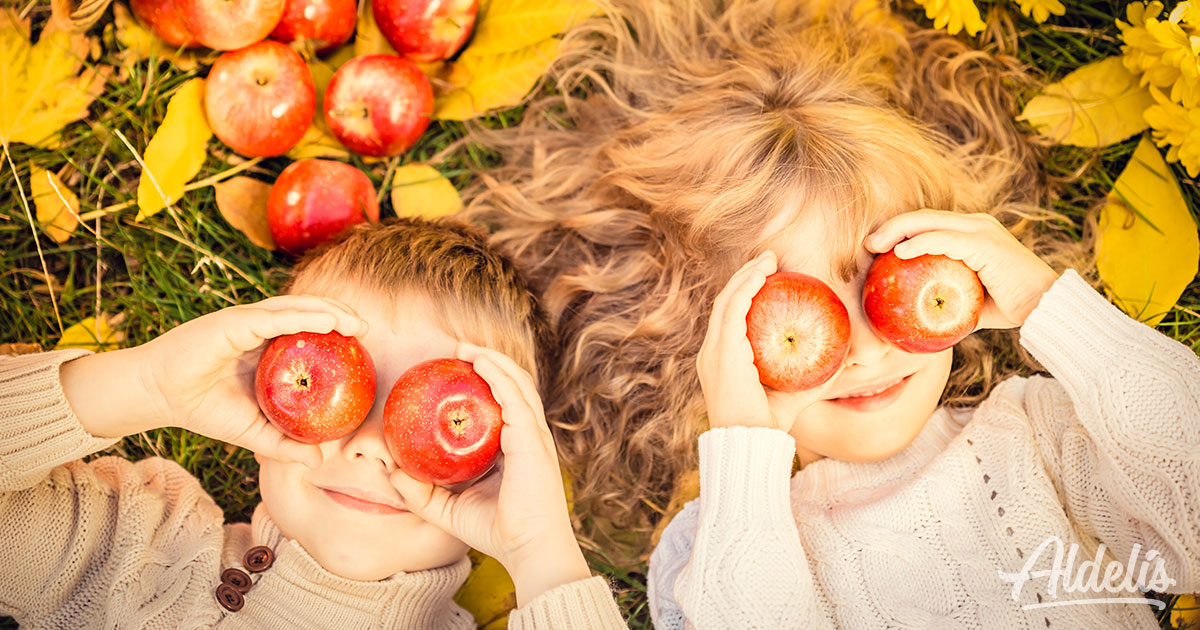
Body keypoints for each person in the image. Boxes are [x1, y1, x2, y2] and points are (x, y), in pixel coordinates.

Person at [456, 0, 1200, 627]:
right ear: (712, 341)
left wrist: (1049, 305)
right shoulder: (716, 546)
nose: (866, 351)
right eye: (803, 310)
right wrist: (743, 448)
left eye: (885, 279)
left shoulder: (1044, 434)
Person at [0, 218, 628, 629]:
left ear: (504, 461)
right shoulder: (136, 549)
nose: (374, 449)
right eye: (348, 397)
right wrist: (144, 387)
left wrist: (544, 555)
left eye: (424, 420)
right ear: (260, 402)